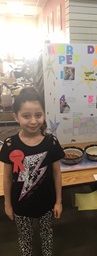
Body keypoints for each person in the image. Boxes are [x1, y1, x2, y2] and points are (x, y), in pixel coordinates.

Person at [0, 86, 65, 256]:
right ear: (16, 117)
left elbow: (57, 173)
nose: (33, 121)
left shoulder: (51, 142)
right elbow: (6, 177)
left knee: (47, 234)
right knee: (24, 237)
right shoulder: (9, 144)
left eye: (38, 115)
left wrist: (58, 201)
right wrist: (7, 204)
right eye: (26, 116)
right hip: (20, 205)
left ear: (44, 114)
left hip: (47, 203)